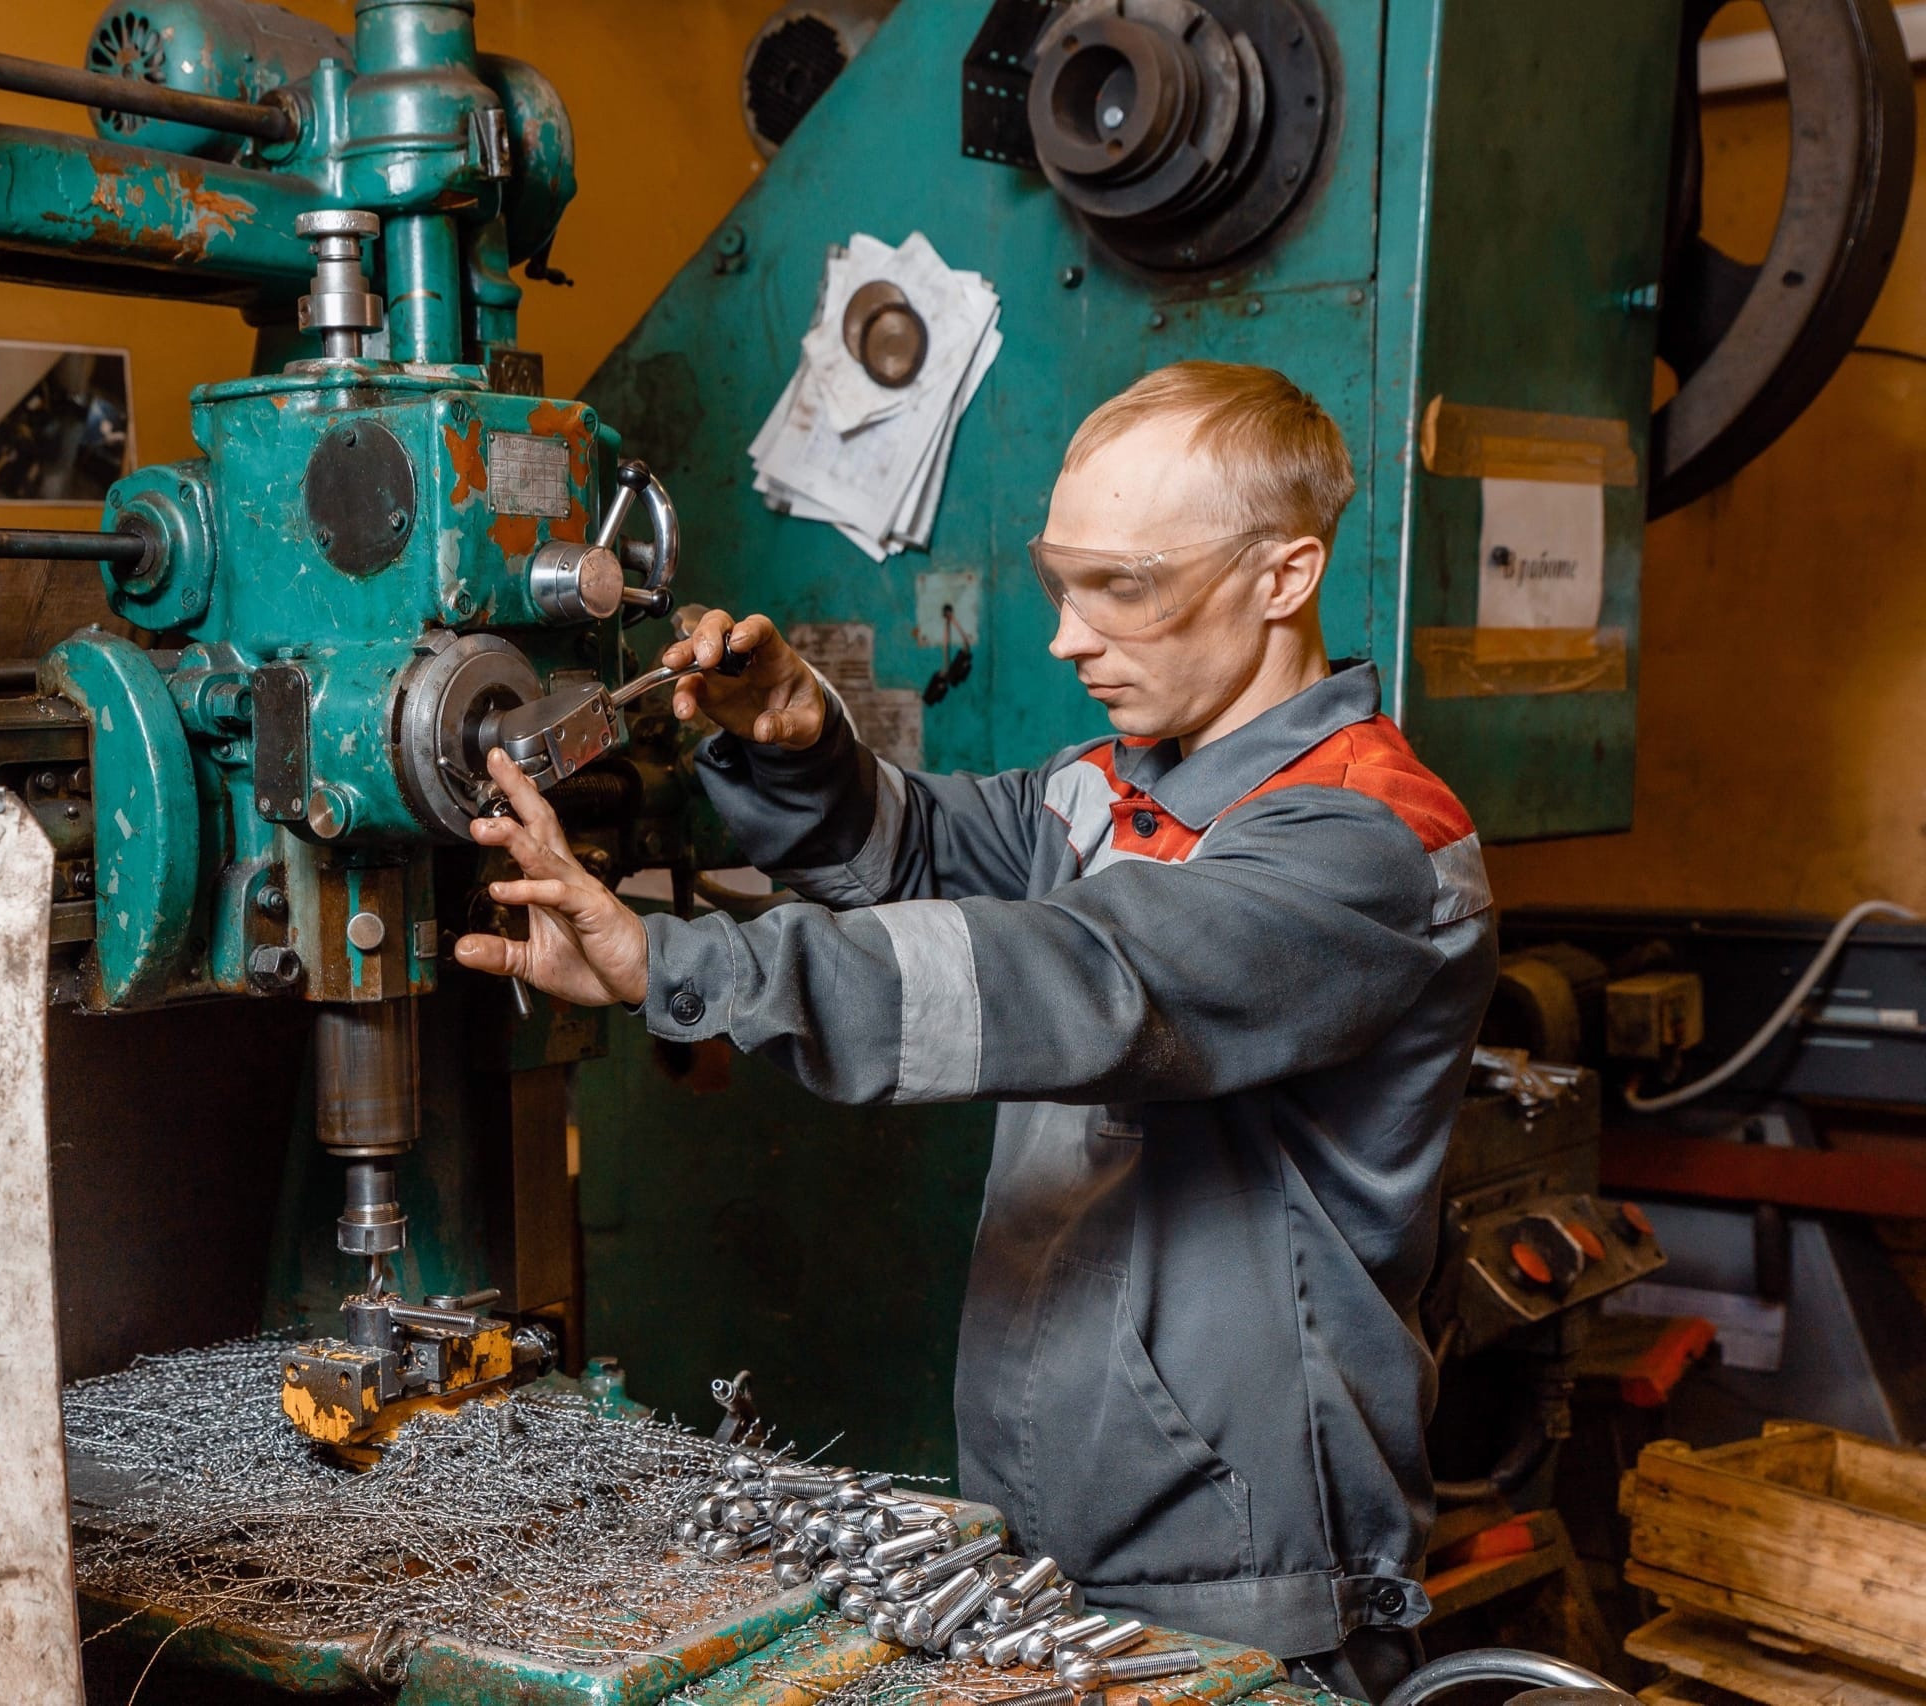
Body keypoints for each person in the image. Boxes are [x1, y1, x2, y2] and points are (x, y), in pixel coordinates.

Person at [455, 361, 1498, 1699]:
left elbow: (1087, 975)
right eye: (1064, 579)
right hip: (1046, 1524)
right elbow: (926, 852)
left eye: (1123, 587)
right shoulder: (1105, 786)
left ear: (1284, 576)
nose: (1069, 636)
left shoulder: (1367, 841)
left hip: (1249, 1569)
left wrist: (678, 958)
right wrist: (794, 744)